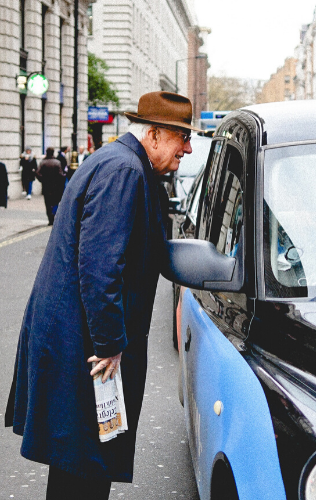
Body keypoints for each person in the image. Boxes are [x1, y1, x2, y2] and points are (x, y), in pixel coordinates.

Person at [5, 91, 198, 500]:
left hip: (77, 338)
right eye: (182, 136)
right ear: (156, 134)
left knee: (77, 466)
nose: (188, 146)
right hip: (88, 347)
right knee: (85, 469)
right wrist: (111, 346)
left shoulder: (119, 162)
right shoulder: (125, 171)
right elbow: (99, 268)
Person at [36, 147, 65, 225]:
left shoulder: (43, 162)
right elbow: (61, 174)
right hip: (55, 186)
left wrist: (42, 180)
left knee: (47, 203)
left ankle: (50, 219)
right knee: (55, 201)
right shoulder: (57, 162)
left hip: (46, 186)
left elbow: (37, 173)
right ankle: (54, 215)